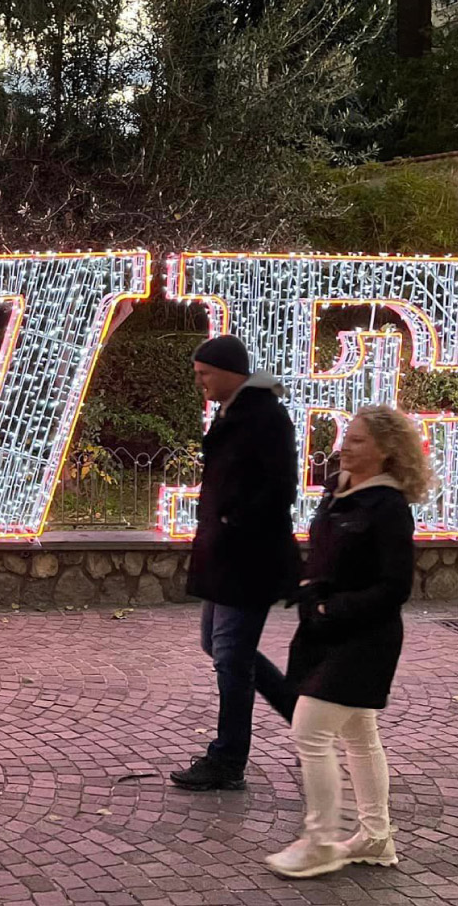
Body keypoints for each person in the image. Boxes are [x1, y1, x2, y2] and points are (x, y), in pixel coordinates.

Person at [265, 405, 430, 878]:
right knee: (359, 734)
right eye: (347, 437)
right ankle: (376, 837)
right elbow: (324, 558)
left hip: (364, 637)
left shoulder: (389, 507)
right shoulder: (337, 493)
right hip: (324, 631)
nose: (346, 445)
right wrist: (305, 589)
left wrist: (332, 608)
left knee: (310, 731)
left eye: (358, 440)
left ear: (386, 450)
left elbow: (395, 586)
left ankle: (319, 842)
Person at [170, 335, 301, 792]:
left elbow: (282, 488)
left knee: (230, 656)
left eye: (205, 373)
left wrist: (231, 521)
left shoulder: (264, 416)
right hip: (227, 557)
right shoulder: (234, 413)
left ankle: (228, 760)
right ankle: (301, 714)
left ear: (229, 371)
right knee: (219, 646)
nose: (199, 381)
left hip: (249, 558)